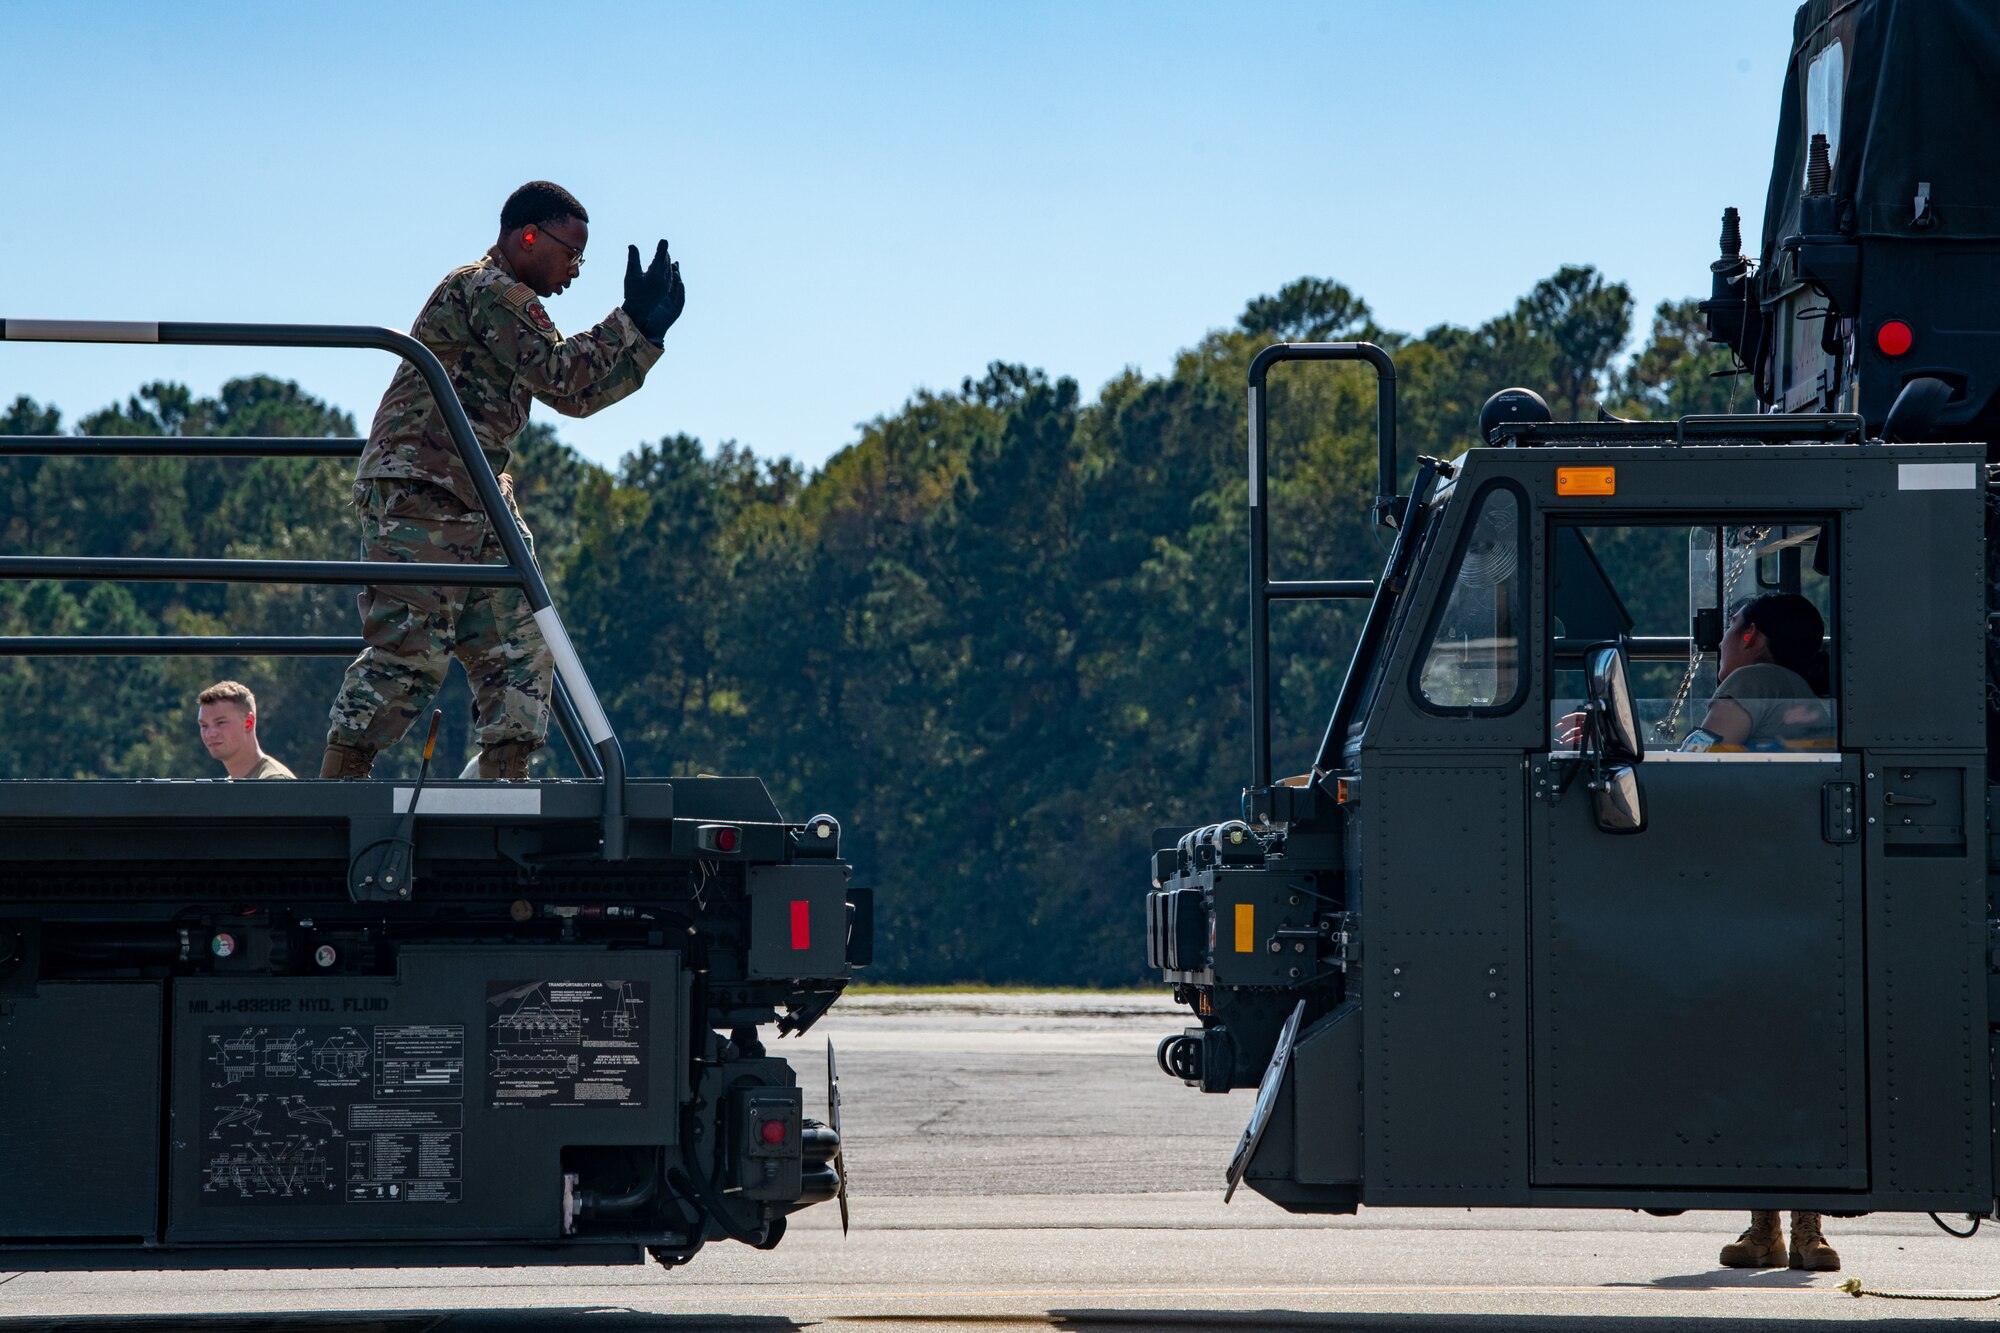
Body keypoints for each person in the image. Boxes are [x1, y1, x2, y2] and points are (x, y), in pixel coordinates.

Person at [319, 180, 684, 782]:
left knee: (522, 641)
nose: (574, 270)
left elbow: (577, 395)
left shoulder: (505, 299)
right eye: (571, 253)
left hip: (478, 492)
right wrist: (632, 324)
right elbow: (563, 374)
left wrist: (645, 336)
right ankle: (340, 782)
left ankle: (505, 778)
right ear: (528, 236)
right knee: (411, 648)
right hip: (425, 485)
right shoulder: (488, 290)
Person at [1706, 592, 1839, 1272]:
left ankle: (1767, 1228)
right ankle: (1805, 1228)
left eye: (1730, 628)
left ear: (1753, 636)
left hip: (1757, 897)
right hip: (1803, 893)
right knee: (1800, 1060)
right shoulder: (1804, 689)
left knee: (1758, 1058)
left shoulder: (1752, 683)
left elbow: (1697, 761)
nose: (1721, 640)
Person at [197, 681, 296, 780]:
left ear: (248, 722)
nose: (210, 734)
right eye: (204, 725)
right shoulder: (229, 786)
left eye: (220, 722)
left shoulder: (275, 781)